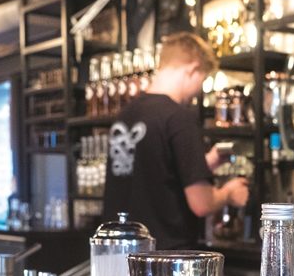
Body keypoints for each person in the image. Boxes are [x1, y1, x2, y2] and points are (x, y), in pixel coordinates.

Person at [103, 32, 249, 249]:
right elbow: (202, 203)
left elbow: (151, 176)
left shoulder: (126, 115)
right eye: (202, 80)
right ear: (192, 69)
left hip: (119, 252)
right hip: (165, 257)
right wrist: (229, 193)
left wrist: (203, 165)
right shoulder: (178, 117)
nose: (198, 91)